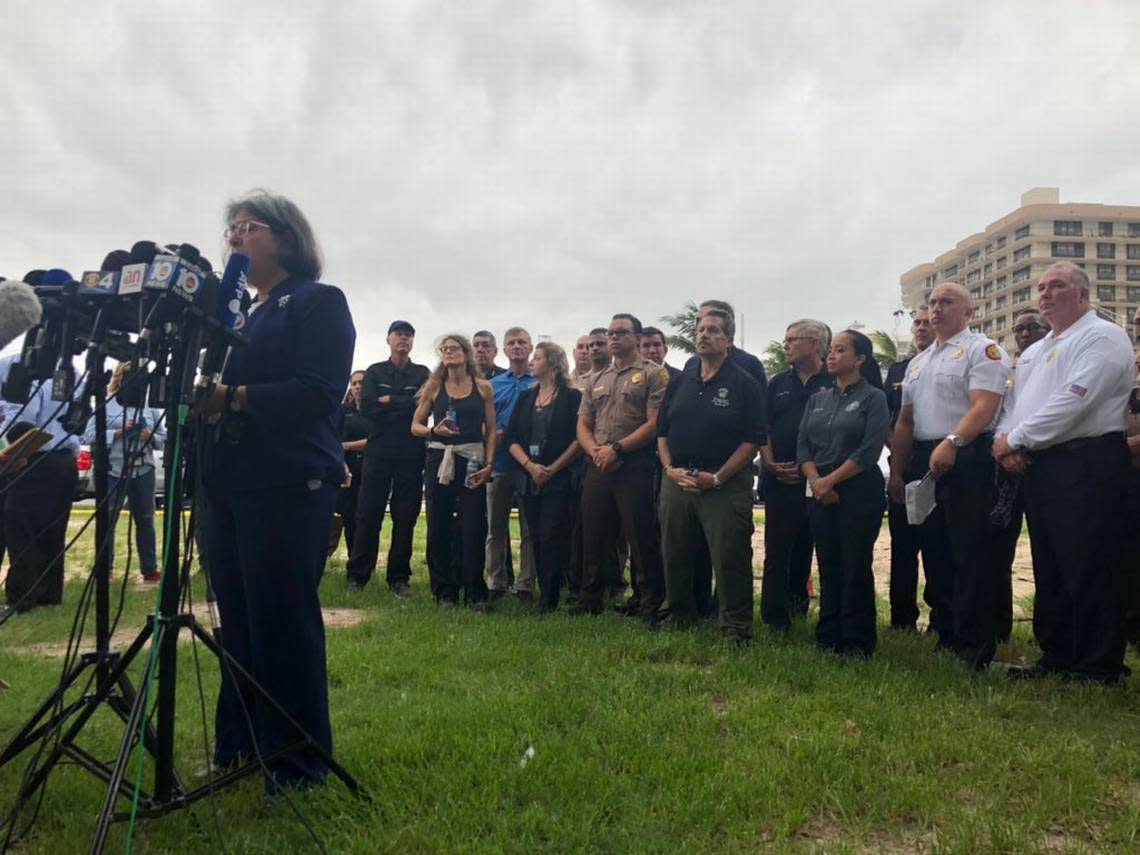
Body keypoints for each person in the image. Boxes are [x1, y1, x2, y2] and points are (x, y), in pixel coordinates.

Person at [201, 190, 355, 791]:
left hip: (288, 481)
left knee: (280, 618)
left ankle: (296, 763)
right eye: (230, 227)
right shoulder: (236, 311)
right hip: (225, 482)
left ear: (287, 238)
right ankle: (239, 747)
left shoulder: (315, 302)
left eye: (249, 225)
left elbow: (318, 391)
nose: (236, 235)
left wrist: (233, 399)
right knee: (235, 618)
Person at [993, 262, 1134, 684]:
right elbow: (1012, 406)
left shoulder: (1103, 337)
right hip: (1043, 463)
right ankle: (1057, 654)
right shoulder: (1035, 351)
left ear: (1084, 294)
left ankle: (1098, 664)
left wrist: (1018, 439)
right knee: (1050, 562)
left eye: (1057, 285)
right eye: (1041, 287)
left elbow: (1077, 400)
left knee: (1089, 561)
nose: (1046, 293)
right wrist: (1006, 443)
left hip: (1087, 461)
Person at [891, 283, 1011, 670]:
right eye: (932, 303)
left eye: (947, 302)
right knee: (936, 550)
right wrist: (897, 471)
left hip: (968, 455)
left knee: (970, 552)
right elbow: (905, 421)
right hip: (925, 457)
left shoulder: (982, 350)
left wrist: (954, 442)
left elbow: (984, 406)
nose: (937, 309)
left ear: (969, 311)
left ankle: (975, 644)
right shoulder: (918, 362)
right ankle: (946, 632)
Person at [657, 310, 764, 643]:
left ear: (729, 340)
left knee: (729, 554)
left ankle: (735, 625)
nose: (704, 335)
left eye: (714, 330)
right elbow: (662, 431)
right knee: (675, 550)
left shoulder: (743, 383)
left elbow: (753, 440)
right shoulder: (680, 381)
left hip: (724, 484)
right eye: (700, 330)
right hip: (677, 479)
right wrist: (668, 468)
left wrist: (717, 477)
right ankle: (679, 613)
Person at [797, 330, 889, 657]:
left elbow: (869, 449)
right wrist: (817, 481)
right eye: (830, 350)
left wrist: (831, 481)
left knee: (855, 564)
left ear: (860, 359)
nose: (831, 355)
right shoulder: (817, 399)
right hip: (819, 490)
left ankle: (856, 640)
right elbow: (803, 446)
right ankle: (828, 634)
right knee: (829, 562)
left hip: (858, 489)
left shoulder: (873, 397)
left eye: (840, 350)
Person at [575, 313, 669, 623]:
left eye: (621, 333)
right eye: (611, 333)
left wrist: (617, 449)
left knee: (640, 536)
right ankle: (591, 598)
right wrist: (596, 452)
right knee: (594, 533)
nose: (614, 338)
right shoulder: (596, 379)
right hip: (598, 464)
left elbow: (655, 423)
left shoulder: (654, 375)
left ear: (637, 338)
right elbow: (584, 423)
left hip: (634, 464)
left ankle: (648, 602)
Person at [411, 334, 496, 608]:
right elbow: (415, 426)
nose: (449, 352)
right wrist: (434, 430)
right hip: (440, 458)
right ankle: (444, 591)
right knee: (439, 524)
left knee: (473, 526)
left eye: (454, 348)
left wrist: (489, 463)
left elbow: (492, 430)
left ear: (466, 353)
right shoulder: (434, 386)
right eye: (444, 349)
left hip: (472, 458)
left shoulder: (482, 387)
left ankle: (474, 590)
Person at [346, 321, 430, 596]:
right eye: (399, 335)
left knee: (405, 517)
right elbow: (368, 407)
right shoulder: (374, 372)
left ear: (412, 342)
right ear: (389, 339)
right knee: (368, 514)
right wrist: (403, 403)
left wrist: (388, 400)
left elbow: (423, 409)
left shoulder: (422, 373)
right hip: (379, 452)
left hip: (410, 453)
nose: (403, 340)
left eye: (408, 336)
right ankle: (358, 575)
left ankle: (399, 578)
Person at [759, 319, 832, 630]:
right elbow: (763, 428)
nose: (786, 344)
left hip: (821, 480)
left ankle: (802, 609)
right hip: (781, 476)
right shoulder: (777, 383)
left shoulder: (834, 381)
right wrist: (770, 462)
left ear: (815, 344)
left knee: (813, 549)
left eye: (792, 339)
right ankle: (773, 618)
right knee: (777, 550)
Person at [989, 309, 1052, 642]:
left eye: (1033, 328)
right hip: (1010, 469)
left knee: (1049, 555)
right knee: (998, 551)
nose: (1025, 334)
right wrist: (1006, 447)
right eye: (1019, 329)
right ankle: (998, 628)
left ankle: (1051, 634)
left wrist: (1018, 443)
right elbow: (1007, 413)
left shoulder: (1057, 363)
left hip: (1048, 465)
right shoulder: (1018, 370)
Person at [505, 342, 582, 612]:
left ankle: (552, 596)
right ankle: (542, 592)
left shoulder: (572, 397)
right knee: (535, 535)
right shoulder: (526, 397)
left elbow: (578, 439)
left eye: (537, 357)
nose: (531, 361)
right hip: (529, 477)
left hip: (559, 478)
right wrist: (530, 466)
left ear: (552, 363)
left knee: (553, 535)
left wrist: (552, 468)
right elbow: (512, 438)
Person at [0, 359, 80, 619]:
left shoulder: (23, 363)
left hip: (32, 453)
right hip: (65, 455)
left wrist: (9, 448)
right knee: (52, 529)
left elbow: (21, 417)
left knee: (20, 526)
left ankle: (21, 596)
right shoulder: (71, 368)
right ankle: (48, 594)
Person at [85, 362, 166, 582]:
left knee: (146, 519)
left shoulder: (150, 406)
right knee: (107, 519)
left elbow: (163, 439)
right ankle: (105, 568)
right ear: (119, 377)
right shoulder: (106, 404)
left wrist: (148, 435)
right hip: (113, 470)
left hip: (144, 470)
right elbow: (89, 435)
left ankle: (150, 569)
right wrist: (119, 432)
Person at [883, 308, 933, 631]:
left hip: (937, 463)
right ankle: (902, 620)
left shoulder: (956, 361)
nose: (921, 328)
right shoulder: (901, 369)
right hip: (903, 464)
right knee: (902, 548)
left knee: (936, 545)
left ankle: (942, 618)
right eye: (917, 323)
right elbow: (889, 417)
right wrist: (899, 455)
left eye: (926, 323)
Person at [486, 327, 538, 601]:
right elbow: (486, 422)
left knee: (530, 528)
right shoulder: (493, 385)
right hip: (500, 463)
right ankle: (496, 582)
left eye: (522, 342)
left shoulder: (539, 381)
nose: (517, 347)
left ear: (530, 348)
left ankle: (526, 584)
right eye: (511, 343)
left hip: (530, 464)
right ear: (504, 350)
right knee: (495, 527)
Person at [329, 370, 369, 557]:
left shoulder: (376, 412)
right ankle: (351, 559)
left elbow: (376, 440)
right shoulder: (343, 411)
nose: (358, 386)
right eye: (354, 383)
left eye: (361, 382)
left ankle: (365, 560)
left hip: (370, 470)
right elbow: (331, 438)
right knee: (348, 516)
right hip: (346, 471)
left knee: (366, 518)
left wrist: (346, 445)